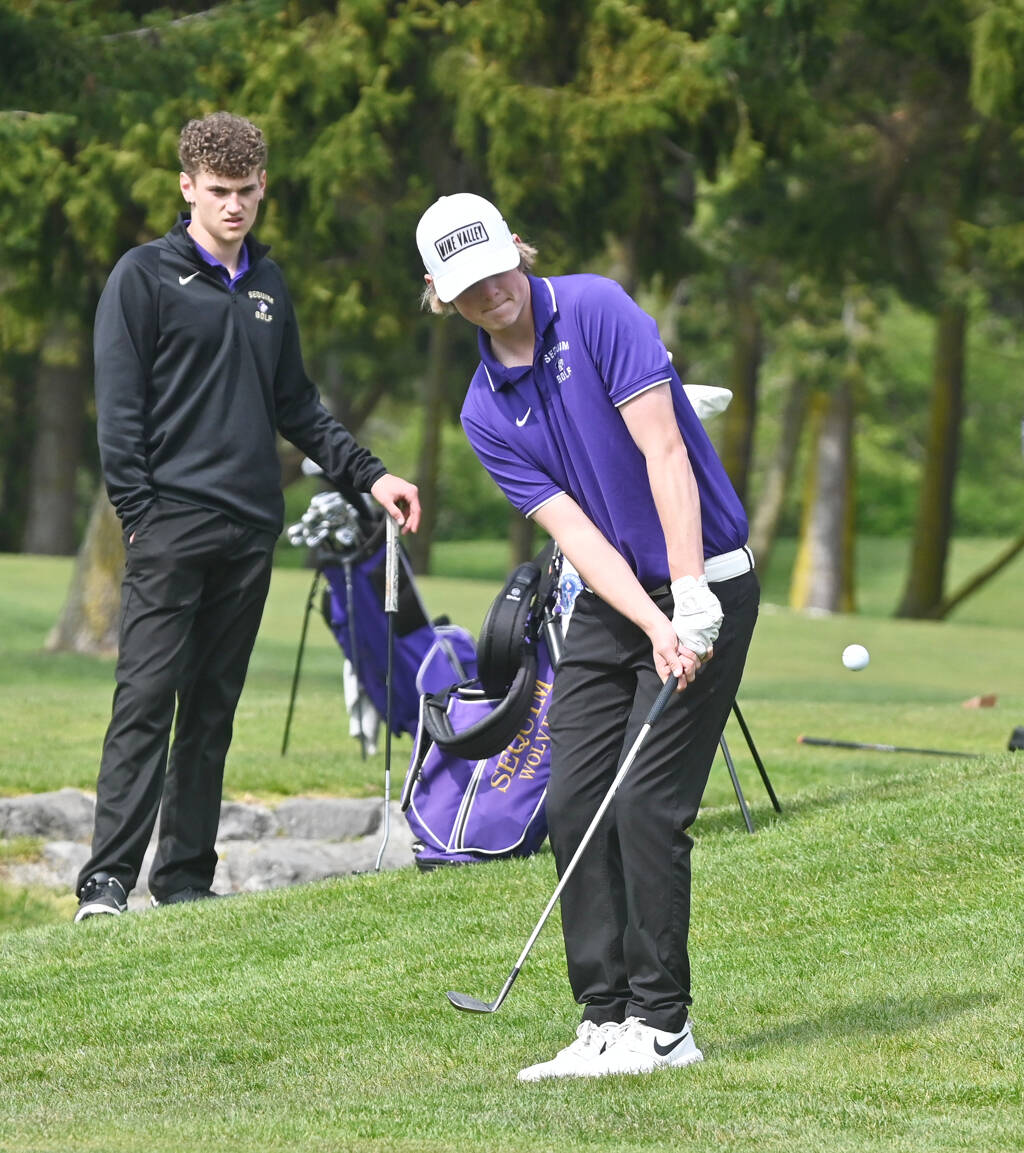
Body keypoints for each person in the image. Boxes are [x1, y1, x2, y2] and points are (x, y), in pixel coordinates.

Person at [415, 193, 758, 1079]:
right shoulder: (484, 412)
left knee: (646, 801)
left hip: (706, 574)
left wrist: (686, 600)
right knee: (574, 797)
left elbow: (666, 455)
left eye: (495, 266)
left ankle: (664, 1025)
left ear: (516, 250)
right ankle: (602, 1019)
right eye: (466, 284)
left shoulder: (598, 308)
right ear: (440, 295)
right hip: (613, 598)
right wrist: (648, 621)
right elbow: (578, 537)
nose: (491, 290)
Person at [75, 112, 419, 921]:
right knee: (145, 698)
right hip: (168, 527)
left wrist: (371, 476)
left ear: (264, 187)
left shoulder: (269, 285)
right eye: (218, 192)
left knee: (212, 706)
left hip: (248, 529)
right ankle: (106, 883)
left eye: (246, 192)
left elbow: (296, 404)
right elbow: (119, 413)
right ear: (187, 187)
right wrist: (138, 515)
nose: (233, 206)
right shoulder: (143, 277)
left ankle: (187, 877)